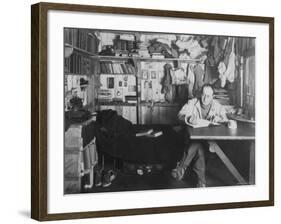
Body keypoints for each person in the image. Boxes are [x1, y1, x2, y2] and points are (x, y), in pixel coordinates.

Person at [171, 84, 228, 187]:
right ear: (200, 94)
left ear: (212, 97)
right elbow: (179, 115)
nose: (206, 98)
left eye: (209, 96)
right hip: (193, 137)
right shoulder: (192, 103)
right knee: (199, 146)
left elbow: (225, 118)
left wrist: (219, 119)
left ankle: (181, 168)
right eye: (204, 95)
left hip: (210, 140)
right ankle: (201, 182)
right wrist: (188, 118)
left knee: (198, 145)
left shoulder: (217, 106)